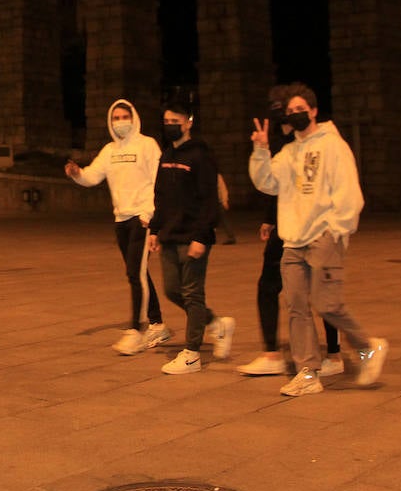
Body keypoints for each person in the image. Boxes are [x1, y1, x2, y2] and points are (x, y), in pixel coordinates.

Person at [247, 83, 388, 397]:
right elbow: (268, 183)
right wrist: (260, 150)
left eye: (301, 110)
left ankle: (367, 348)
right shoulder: (288, 152)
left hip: (324, 235)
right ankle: (308, 373)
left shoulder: (333, 146)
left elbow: (349, 193)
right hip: (293, 240)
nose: (296, 115)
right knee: (297, 307)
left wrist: (337, 229)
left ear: (313, 111)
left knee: (327, 304)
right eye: (291, 112)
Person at [237, 86, 344, 379]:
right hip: (286, 226)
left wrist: (339, 229)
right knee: (270, 287)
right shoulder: (282, 139)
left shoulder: (315, 139)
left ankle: (334, 353)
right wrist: (270, 219)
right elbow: (275, 182)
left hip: (313, 227)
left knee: (320, 294)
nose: (284, 114)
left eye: (288, 109)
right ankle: (272, 353)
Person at [65, 99, 172, 356]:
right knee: (137, 272)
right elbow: (93, 175)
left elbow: (161, 180)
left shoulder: (147, 145)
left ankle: (136, 330)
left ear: (133, 118)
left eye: (125, 116)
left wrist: (150, 214)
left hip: (141, 217)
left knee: (135, 274)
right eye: (116, 118)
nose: (120, 122)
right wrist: (77, 174)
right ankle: (158, 324)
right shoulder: (110, 151)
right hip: (121, 219)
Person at [147, 100, 234, 374]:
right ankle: (216, 323)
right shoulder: (166, 155)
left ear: (189, 122)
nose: (171, 126)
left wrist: (201, 236)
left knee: (193, 293)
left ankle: (192, 353)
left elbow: (209, 200)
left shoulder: (200, 155)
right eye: (167, 122)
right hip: (170, 234)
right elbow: (160, 196)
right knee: (172, 290)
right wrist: (154, 230)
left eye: (176, 122)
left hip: (194, 236)